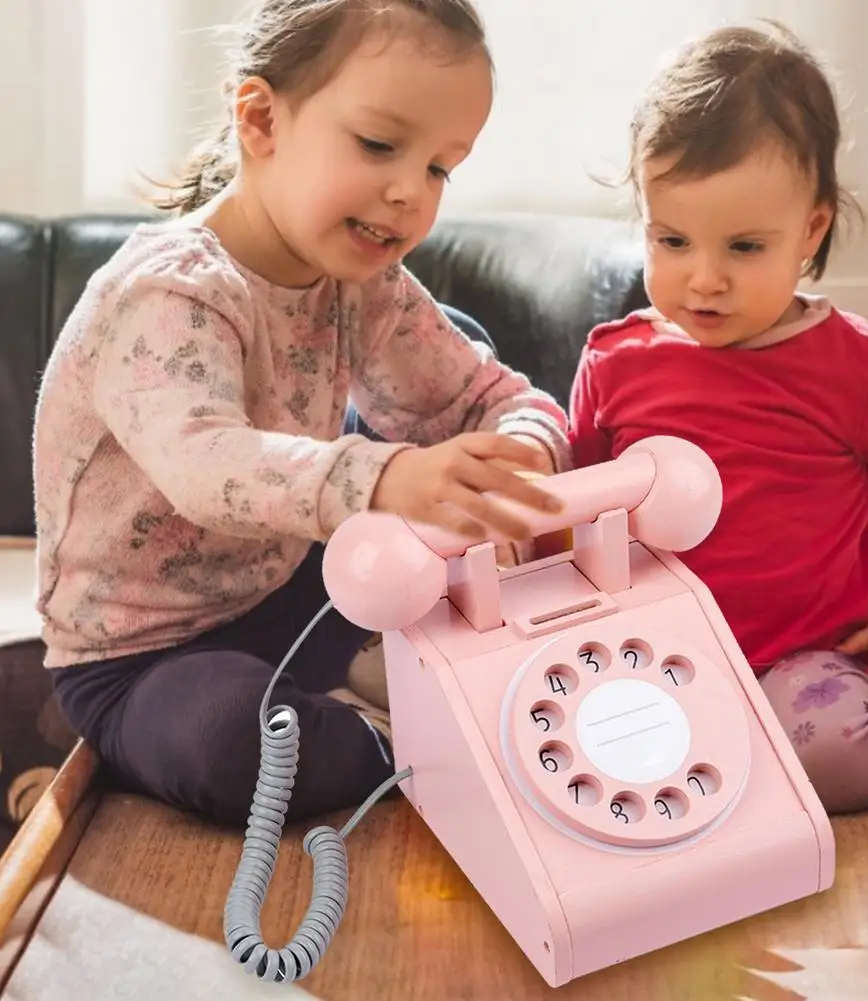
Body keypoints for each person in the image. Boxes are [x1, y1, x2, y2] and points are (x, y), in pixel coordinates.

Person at [33, 0, 571, 827]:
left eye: (439, 168)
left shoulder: (364, 284)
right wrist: (385, 479)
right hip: (141, 656)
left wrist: (521, 451)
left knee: (456, 358)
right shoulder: (169, 292)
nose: (409, 192)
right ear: (260, 120)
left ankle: (379, 674)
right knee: (239, 743)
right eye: (379, 144)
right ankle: (402, 739)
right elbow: (205, 466)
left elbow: (483, 397)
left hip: (294, 593)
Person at [568, 21, 868, 813]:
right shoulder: (614, 362)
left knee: (824, 757)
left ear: (810, 229)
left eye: (744, 247)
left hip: (805, 666)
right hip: (652, 660)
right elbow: (573, 517)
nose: (704, 278)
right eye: (672, 240)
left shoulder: (858, 367)